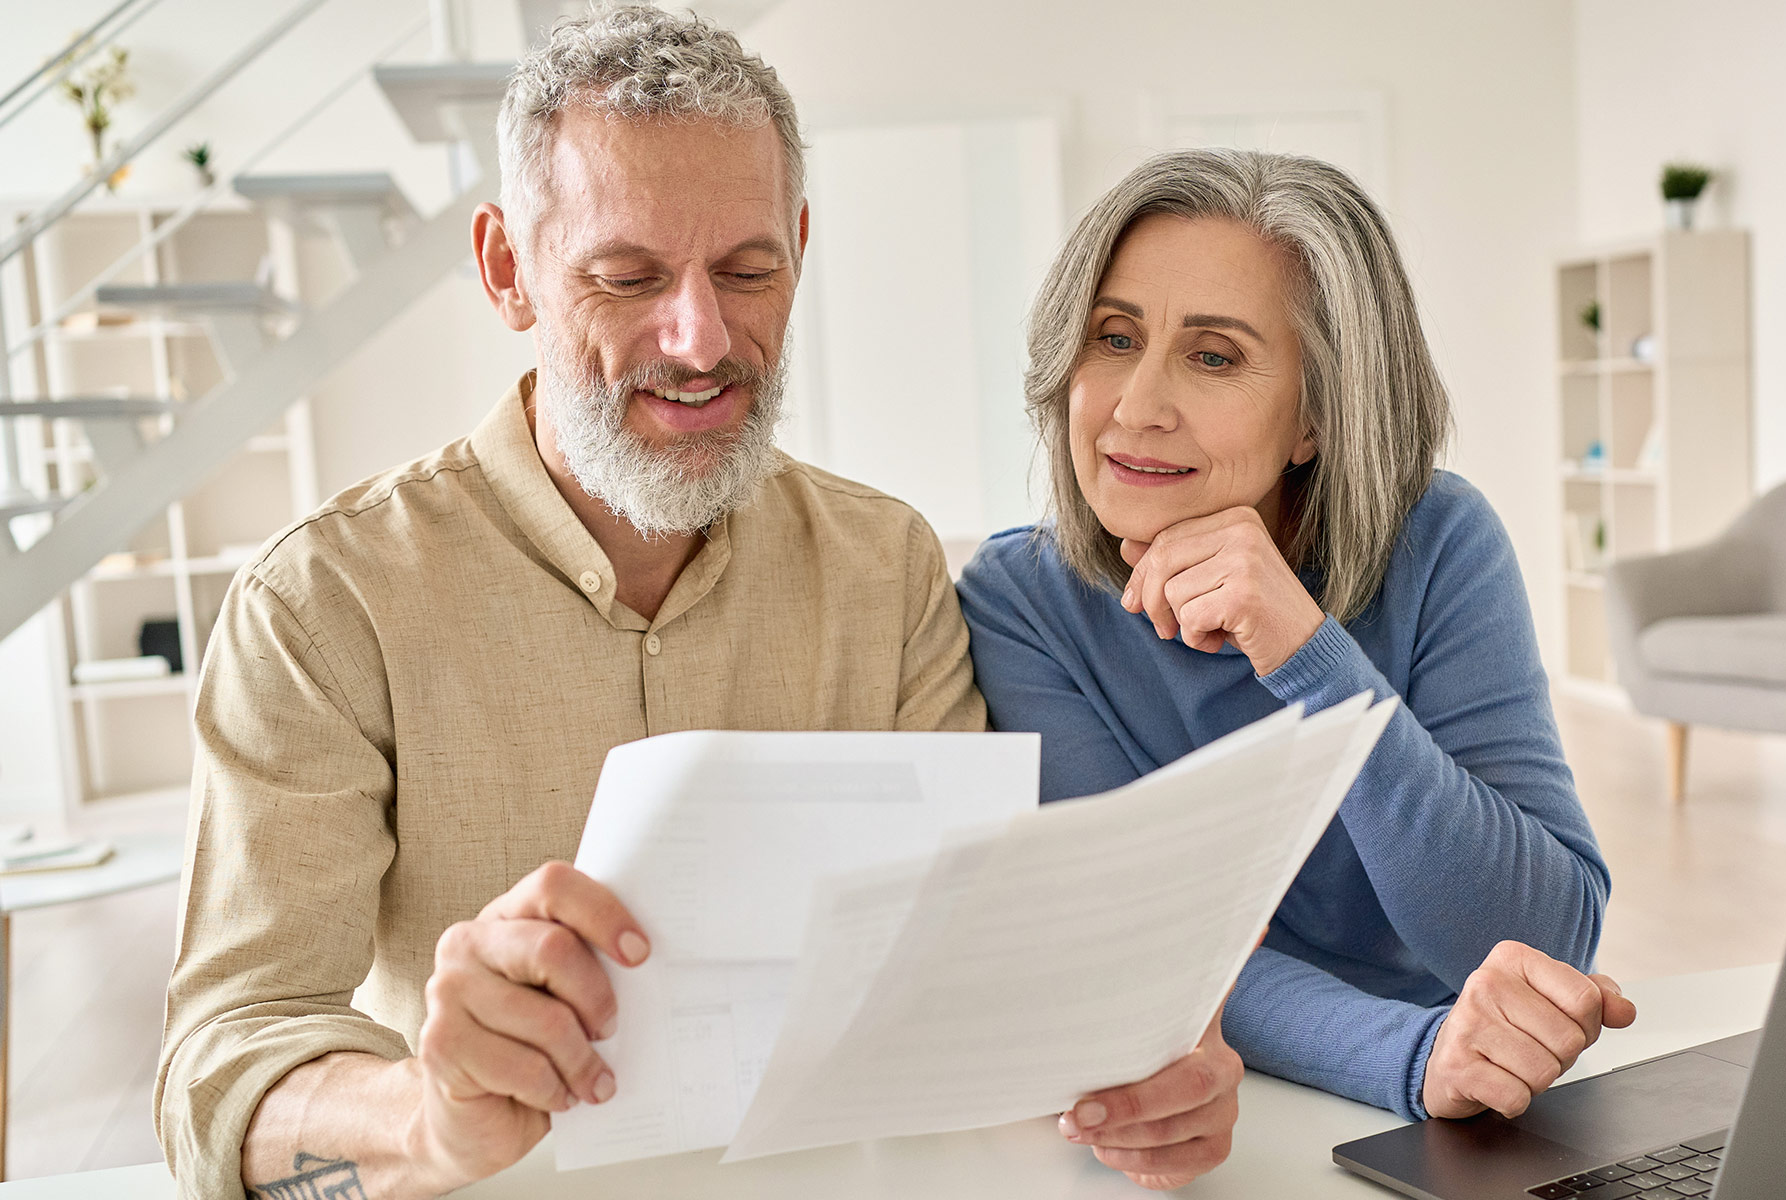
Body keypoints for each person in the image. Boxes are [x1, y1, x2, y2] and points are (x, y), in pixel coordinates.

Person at [155, 10, 1232, 1197]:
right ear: (507, 269)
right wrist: (423, 1117)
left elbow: (967, 965)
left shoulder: (887, 565)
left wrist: (1135, 1059)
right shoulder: (324, 602)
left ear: (802, 250)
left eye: (748, 270)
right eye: (626, 277)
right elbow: (224, 1061)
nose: (702, 337)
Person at [957, 148, 1637, 1148]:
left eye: (1214, 356)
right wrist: (1412, 1056)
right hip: (1225, 1106)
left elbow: (1545, 939)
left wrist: (1308, 654)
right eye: (1112, 338)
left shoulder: (1439, 541)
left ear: (1316, 414)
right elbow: (1150, 946)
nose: (1135, 404)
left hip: (1456, 1113)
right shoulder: (1020, 600)